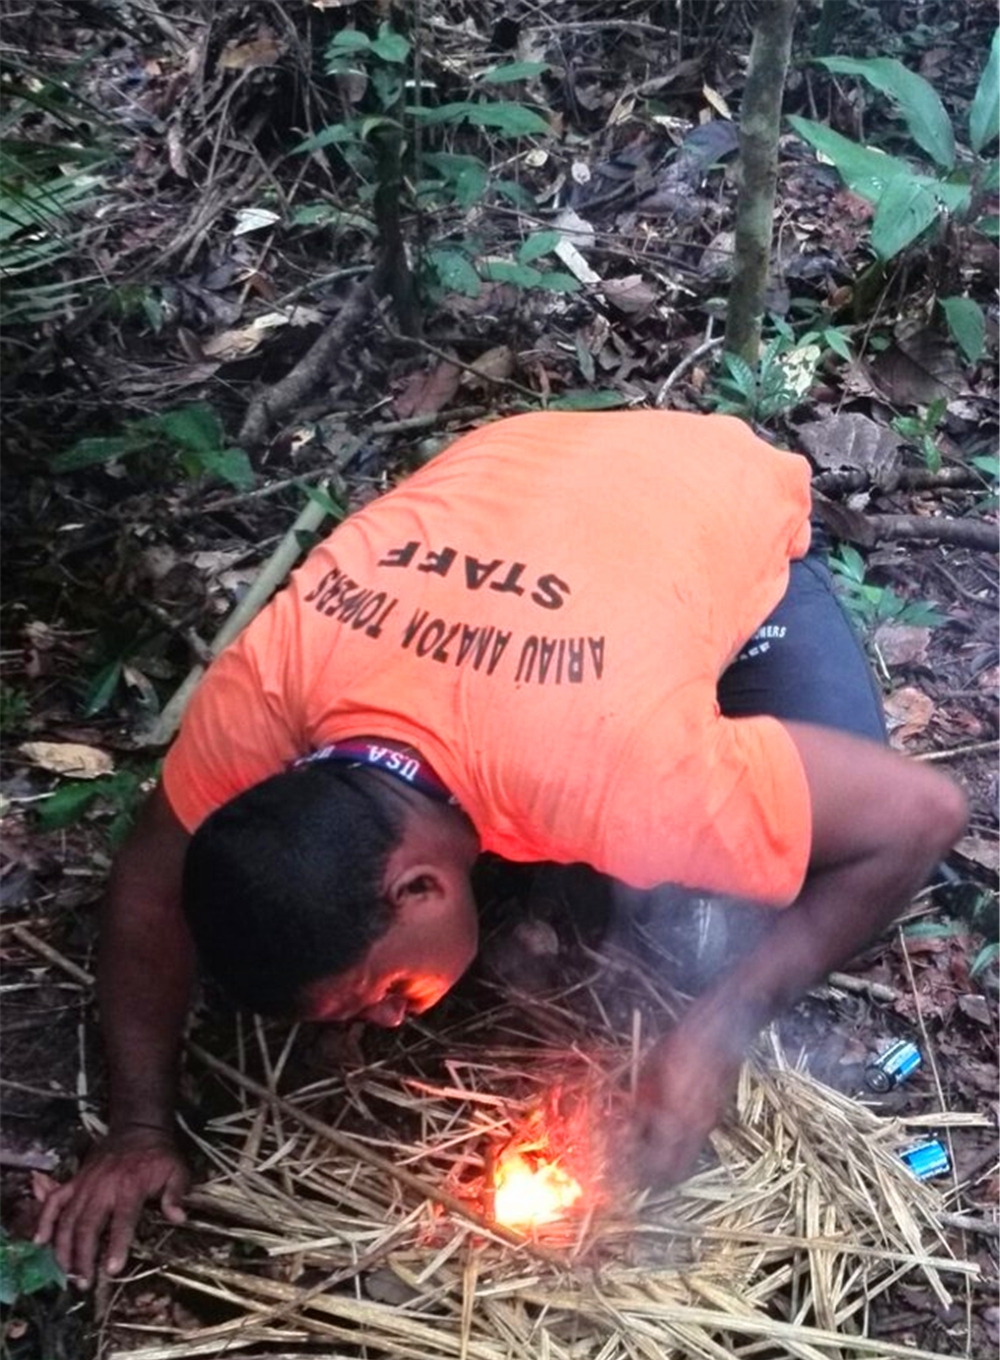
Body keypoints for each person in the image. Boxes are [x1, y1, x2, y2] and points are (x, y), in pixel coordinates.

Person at [35, 411, 966, 1283]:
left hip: (705, 483)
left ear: (418, 888)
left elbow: (921, 814)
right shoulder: (268, 693)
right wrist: (138, 1126)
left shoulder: (617, 771)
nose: (396, 1022)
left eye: (384, 993)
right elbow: (152, 888)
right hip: (524, 477)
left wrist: (715, 1032)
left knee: (754, 897)